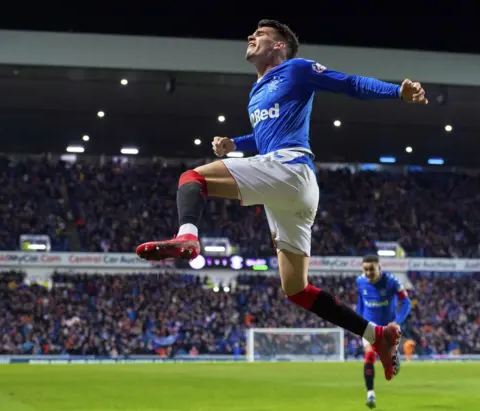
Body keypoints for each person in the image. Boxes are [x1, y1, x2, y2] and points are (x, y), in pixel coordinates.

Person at [136, 19, 428, 380]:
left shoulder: (297, 69)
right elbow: (265, 137)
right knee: (296, 289)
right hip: (292, 190)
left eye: (260, 35)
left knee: (191, 178)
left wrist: (397, 91)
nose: (250, 37)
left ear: (278, 46)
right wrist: (235, 145)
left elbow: (349, 83)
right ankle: (376, 334)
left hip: (290, 168)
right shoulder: (256, 91)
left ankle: (188, 237)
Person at [356, 255, 412, 408]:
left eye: (371, 269)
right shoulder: (360, 282)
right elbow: (360, 303)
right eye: (365, 269)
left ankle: (394, 356)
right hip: (369, 325)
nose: (368, 272)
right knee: (369, 355)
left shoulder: (392, 282)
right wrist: (358, 323)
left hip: (388, 327)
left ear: (379, 268)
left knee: (390, 365)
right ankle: (370, 395)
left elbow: (406, 303)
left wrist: (397, 322)